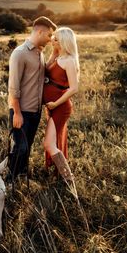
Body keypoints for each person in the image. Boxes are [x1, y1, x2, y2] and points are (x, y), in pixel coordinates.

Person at [7, 16, 57, 182]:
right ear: (40, 31)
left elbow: (41, 74)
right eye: (49, 35)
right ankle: (9, 181)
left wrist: (55, 54)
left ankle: (21, 177)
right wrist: (16, 113)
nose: (50, 40)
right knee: (19, 148)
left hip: (35, 111)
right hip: (21, 112)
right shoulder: (20, 54)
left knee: (27, 148)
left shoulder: (40, 53)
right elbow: (13, 87)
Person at [43, 27, 79, 183]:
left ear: (64, 41)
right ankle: (59, 175)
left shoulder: (70, 61)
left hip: (60, 107)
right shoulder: (57, 57)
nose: (52, 40)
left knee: (49, 143)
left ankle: (68, 178)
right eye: (53, 38)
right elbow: (45, 71)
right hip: (51, 106)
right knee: (55, 140)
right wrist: (53, 53)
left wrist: (55, 103)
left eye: (56, 39)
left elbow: (74, 88)